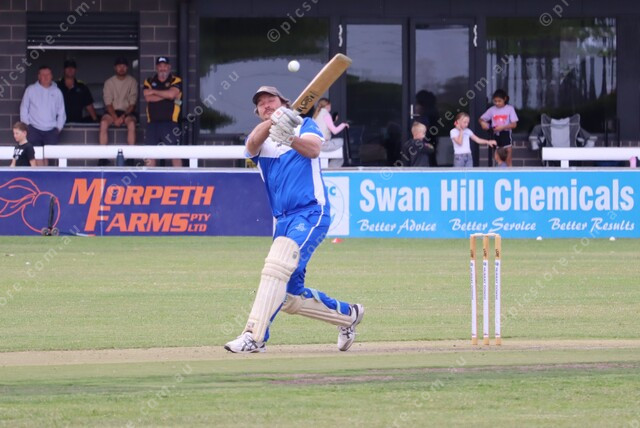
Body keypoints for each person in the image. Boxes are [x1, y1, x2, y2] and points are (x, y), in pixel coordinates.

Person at [224, 86, 364, 354]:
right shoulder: (260, 138)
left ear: (284, 103)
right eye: (261, 104)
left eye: (271, 100)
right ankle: (348, 315)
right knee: (289, 295)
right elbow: (251, 145)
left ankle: (254, 337)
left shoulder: (305, 125)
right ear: (258, 112)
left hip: (310, 212)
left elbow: (313, 150)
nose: (266, 105)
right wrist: (273, 124)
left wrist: (288, 137)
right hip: (283, 221)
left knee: (276, 268)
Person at [20, 65, 66, 166]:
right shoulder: (31, 90)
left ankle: (44, 174)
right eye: (43, 74)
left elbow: (61, 112)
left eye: (48, 74)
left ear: (51, 76)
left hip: (51, 130)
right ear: (38, 76)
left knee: (47, 156)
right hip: (34, 129)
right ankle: (41, 174)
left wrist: (58, 128)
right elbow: (24, 108)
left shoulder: (57, 92)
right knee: (37, 154)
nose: (45, 77)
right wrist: (27, 126)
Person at [142, 56, 182, 167]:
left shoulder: (175, 80)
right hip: (152, 123)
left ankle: (180, 177)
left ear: (169, 67)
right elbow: (148, 97)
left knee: (174, 153)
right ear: (156, 67)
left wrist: (154, 92)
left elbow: (172, 94)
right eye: (160, 66)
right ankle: (149, 177)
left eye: (165, 66)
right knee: (149, 154)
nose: (162, 68)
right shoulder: (149, 81)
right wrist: (167, 96)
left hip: (170, 122)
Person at [100, 57, 138, 150]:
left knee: (131, 124)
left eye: (124, 66)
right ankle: (102, 155)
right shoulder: (109, 82)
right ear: (115, 68)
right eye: (119, 66)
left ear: (127, 68)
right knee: (103, 123)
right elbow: (108, 103)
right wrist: (115, 118)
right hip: (112, 112)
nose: (121, 68)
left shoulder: (132, 81)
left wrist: (122, 117)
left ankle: (131, 155)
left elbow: (132, 104)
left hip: (126, 112)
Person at [479, 89, 518, 167]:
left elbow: (514, 124)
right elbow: (481, 119)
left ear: (505, 99)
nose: (497, 103)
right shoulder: (492, 110)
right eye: (495, 101)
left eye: (499, 101)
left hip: (506, 134)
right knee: (497, 158)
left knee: (508, 157)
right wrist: (483, 123)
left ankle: (509, 172)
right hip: (495, 135)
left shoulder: (510, 109)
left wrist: (503, 127)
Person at [312, 98, 348, 167]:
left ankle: (330, 167)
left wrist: (333, 121)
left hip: (316, 144)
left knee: (338, 147)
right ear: (328, 105)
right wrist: (343, 125)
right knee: (342, 142)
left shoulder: (315, 115)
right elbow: (334, 131)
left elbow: (323, 127)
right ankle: (332, 167)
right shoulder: (326, 114)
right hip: (324, 145)